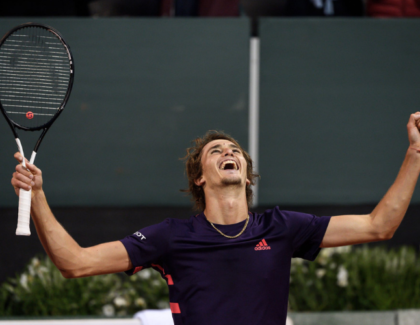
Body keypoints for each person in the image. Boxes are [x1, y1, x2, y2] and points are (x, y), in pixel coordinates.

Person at [10, 113, 420, 325]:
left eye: (236, 150)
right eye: (217, 150)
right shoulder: (171, 237)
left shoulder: (280, 228)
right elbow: (75, 263)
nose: (230, 152)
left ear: (245, 170)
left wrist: (415, 154)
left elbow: (378, 225)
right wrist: (39, 196)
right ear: (200, 177)